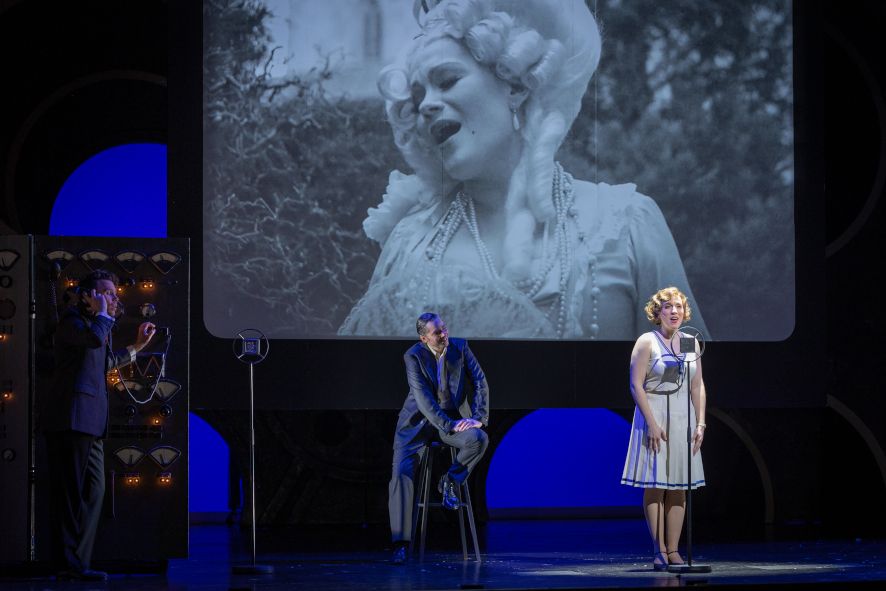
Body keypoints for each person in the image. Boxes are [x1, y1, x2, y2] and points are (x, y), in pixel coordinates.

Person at [339, 0, 707, 340]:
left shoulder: (626, 225)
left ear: (514, 87)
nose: (427, 106)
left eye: (448, 81)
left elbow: (686, 385)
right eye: (418, 97)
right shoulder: (409, 244)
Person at [39, 270, 156, 581]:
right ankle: (68, 565)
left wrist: (138, 346)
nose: (114, 299)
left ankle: (80, 561)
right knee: (72, 494)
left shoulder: (95, 327)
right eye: (106, 294)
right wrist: (103, 314)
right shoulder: (72, 322)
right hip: (71, 419)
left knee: (95, 490)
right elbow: (92, 341)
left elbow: (103, 361)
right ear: (87, 296)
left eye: (114, 295)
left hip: (91, 422)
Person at [389, 312, 489, 564]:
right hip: (418, 424)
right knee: (401, 475)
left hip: (453, 421)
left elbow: (480, 381)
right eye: (437, 332)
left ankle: (450, 481)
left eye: (444, 329)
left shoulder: (461, 347)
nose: (444, 334)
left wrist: (478, 416)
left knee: (478, 438)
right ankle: (400, 543)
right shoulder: (413, 355)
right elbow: (423, 399)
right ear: (424, 338)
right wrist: (449, 425)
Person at [621, 286, 707, 571]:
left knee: (680, 486)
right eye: (668, 306)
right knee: (656, 485)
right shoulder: (648, 341)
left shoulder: (688, 343)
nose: (674, 311)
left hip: (683, 417)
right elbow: (636, 385)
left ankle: (674, 550)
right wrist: (651, 423)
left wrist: (700, 422)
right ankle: (658, 550)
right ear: (657, 312)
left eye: (679, 306)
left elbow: (697, 385)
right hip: (655, 415)